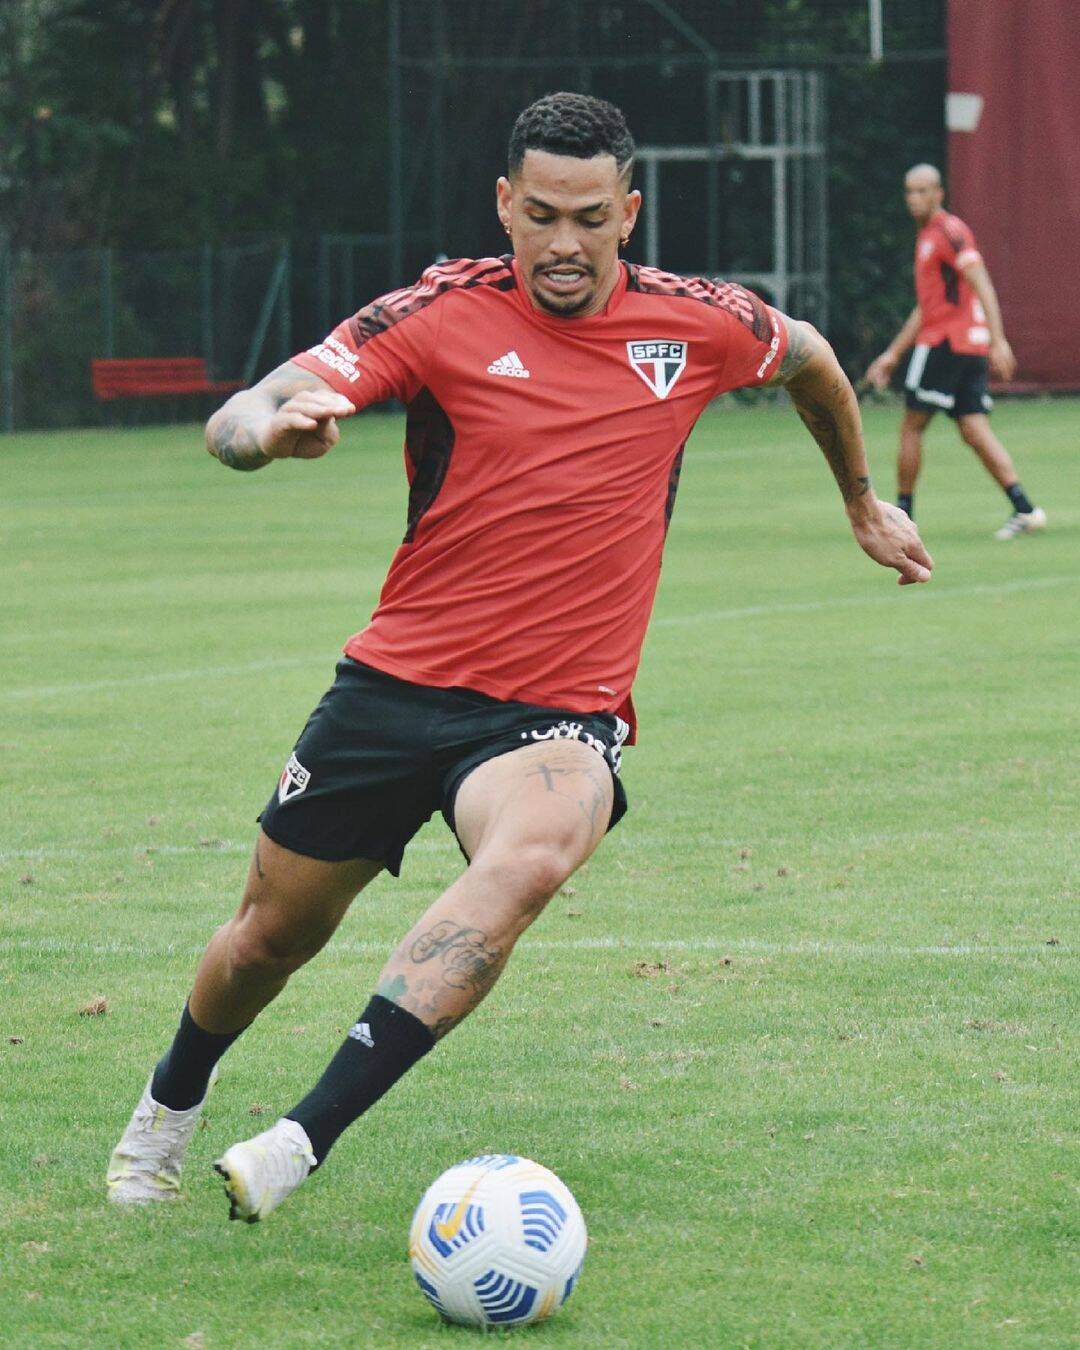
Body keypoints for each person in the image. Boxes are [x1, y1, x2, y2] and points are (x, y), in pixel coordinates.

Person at [107, 92, 932, 1222]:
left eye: (590, 217)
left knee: (532, 857)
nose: (563, 243)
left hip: (552, 716)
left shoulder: (691, 325)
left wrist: (861, 500)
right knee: (266, 941)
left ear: (628, 213)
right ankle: (168, 1106)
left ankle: (303, 1136)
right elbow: (245, 412)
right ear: (505, 204)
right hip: (394, 688)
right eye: (540, 214)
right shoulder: (442, 311)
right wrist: (268, 436)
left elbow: (815, 362)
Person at [865, 163, 1045, 539]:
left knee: (912, 425)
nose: (914, 199)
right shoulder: (927, 236)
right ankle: (1025, 508)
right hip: (963, 344)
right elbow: (926, 307)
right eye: (909, 192)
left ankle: (902, 515)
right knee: (974, 429)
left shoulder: (948, 232)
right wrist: (893, 353)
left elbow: (981, 281)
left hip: (946, 344)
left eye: (922, 191)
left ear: (938, 193)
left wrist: (999, 338)